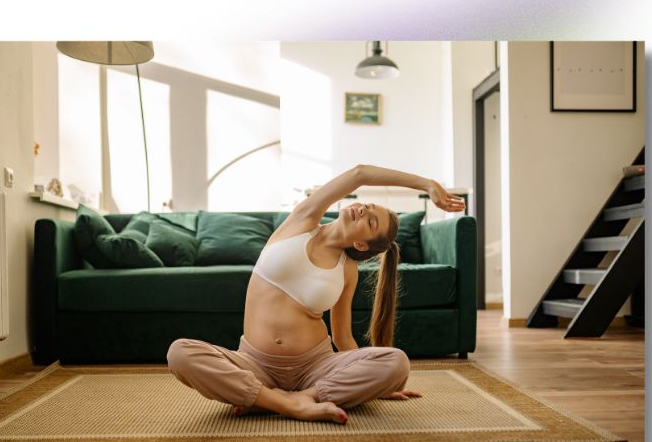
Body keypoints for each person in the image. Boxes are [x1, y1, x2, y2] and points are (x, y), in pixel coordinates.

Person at [166, 165, 466, 424]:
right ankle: (288, 404)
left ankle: (279, 399)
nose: (363, 210)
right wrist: (427, 185)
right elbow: (359, 174)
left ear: (362, 245)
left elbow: (343, 338)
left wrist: (378, 378)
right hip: (254, 363)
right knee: (180, 352)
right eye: (369, 207)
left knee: (397, 362)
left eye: (370, 221)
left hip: (315, 368)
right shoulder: (302, 221)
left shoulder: (347, 269)